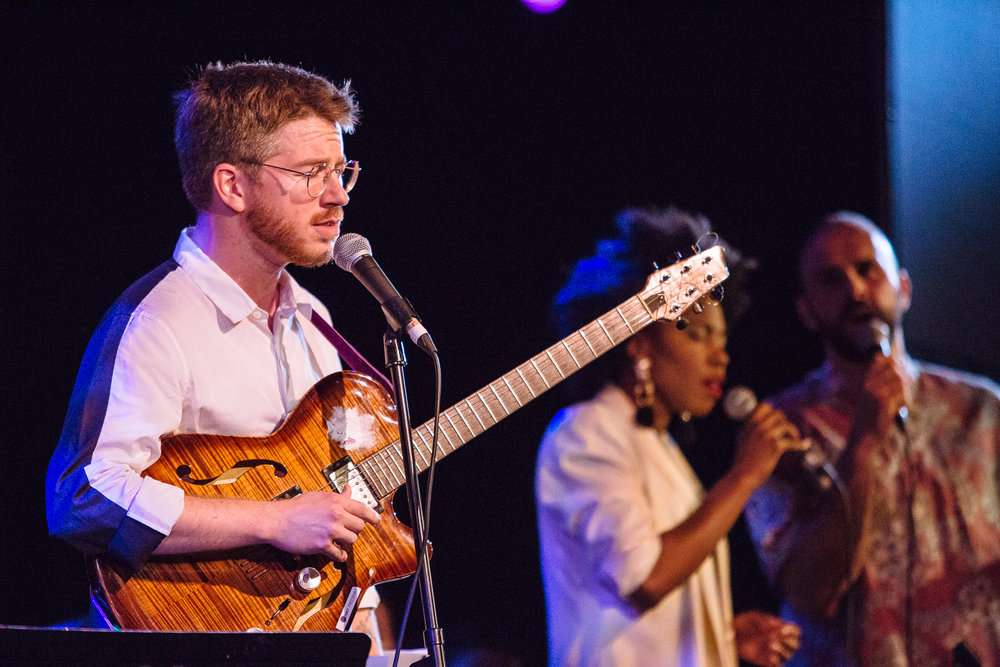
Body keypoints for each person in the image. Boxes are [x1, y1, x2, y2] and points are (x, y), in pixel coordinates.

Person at [45, 61, 387, 649]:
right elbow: (85, 498)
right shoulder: (158, 320)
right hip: (203, 636)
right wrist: (274, 519)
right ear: (232, 185)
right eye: (311, 173)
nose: (336, 197)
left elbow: (339, 510)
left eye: (340, 171)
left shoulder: (316, 322)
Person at [535, 206, 805, 666]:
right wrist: (744, 476)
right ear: (639, 343)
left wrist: (721, 636)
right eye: (697, 335)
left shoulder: (660, 448)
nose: (720, 358)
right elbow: (645, 580)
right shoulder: (585, 433)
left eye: (721, 339)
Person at [744, 211, 1000, 665]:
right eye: (831, 279)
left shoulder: (982, 410)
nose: (855, 290)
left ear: (903, 289)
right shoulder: (782, 429)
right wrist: (864, 438)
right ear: (806, 311)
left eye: (867, 270)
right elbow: (811, 590)